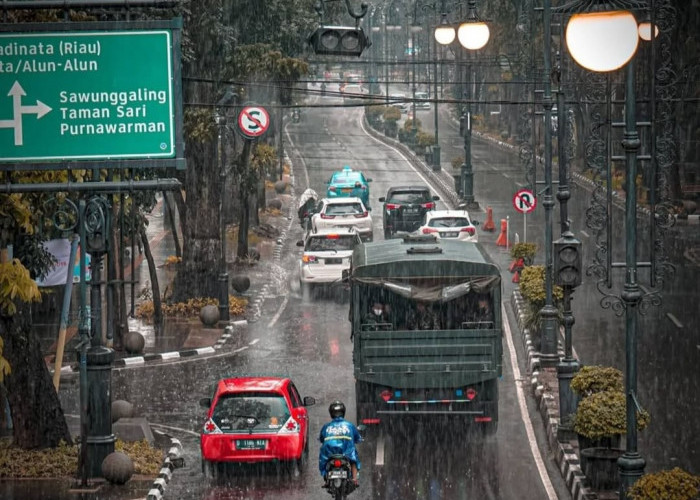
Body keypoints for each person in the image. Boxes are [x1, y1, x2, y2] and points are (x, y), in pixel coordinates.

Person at [319, 401, 362, 487]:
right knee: (354, 460)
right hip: (346, 453)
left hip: (329, 453)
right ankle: (354, 479)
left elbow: (321, 438)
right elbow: (357, 438)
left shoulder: (326, 426)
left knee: (323, 459)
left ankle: (325, 478)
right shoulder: (349, 425)